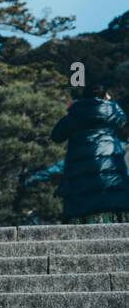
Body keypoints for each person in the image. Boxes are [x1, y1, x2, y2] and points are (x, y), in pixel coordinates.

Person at [50, 83, 129, 222]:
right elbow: (123, 126)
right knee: (113, 200)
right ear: (104, 96)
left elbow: (56, 136)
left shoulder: (75, 113)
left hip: (80, 168)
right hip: (111, 164)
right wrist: (110, 101)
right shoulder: (113, 110)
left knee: (82, 202)